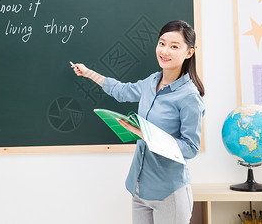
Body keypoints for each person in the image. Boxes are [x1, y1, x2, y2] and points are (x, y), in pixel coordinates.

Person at [72, 20, 205, 224]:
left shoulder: (189, 96)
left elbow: (191, 148)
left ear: (189, 52)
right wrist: (88, 72)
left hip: (169, 192)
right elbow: (121, 91)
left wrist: (146, 135)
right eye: (162, 43)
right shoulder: (152, 82)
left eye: (174, 46)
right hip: (139, 187)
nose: (165, 51)